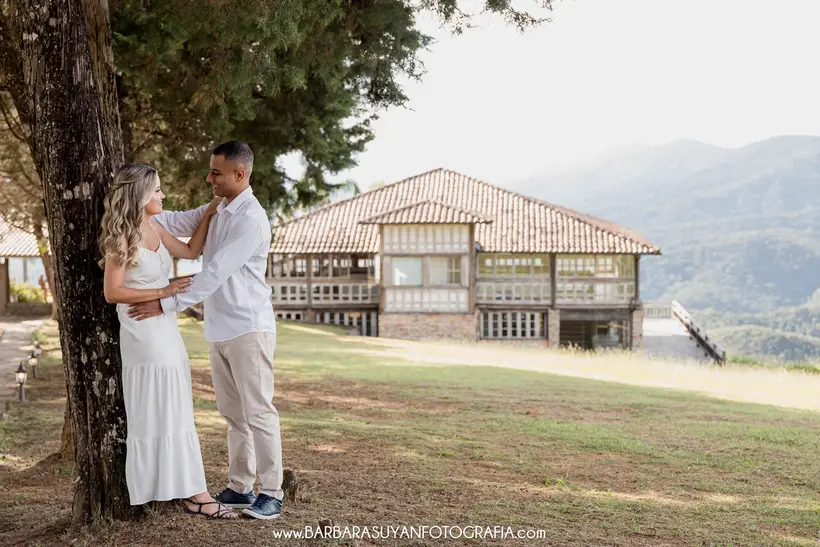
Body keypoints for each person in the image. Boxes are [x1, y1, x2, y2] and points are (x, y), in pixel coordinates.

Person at [127, 141, 284, 520]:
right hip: (220, 329)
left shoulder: (251, 220)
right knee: (233, 414)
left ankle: (272, 492)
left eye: (216, 173)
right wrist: (132, 209)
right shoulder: (219, 207)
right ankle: (240, 487)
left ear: (239, 174)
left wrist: (165, 302)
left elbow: (214, 273)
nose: (208, 178)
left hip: (249, 327)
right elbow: (174, 221)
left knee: (258, 412)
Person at [99, 164, 236, 519]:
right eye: (157, 190)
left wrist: (208, 213)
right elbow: (113, 292)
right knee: (158, 406)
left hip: (166, 328)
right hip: (142, 331)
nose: (162, 195)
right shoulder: (121, 237)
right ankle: (191, 492)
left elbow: (191, 251)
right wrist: (163, 291)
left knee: (176, 406)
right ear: (140, 194)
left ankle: (189, 489)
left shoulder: (156, 226)